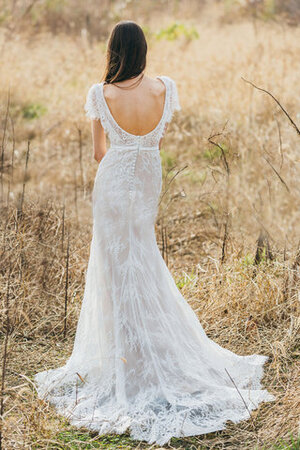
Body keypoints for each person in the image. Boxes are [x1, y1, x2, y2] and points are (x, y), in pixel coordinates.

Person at [34, 20, 275, 446]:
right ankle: (149, 349)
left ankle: (128, 357)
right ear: (143, 50)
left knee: (117, 268)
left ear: (113, 50)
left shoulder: (100, 93)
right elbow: (158, 142)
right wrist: (140, 155)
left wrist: (122, 156)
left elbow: (97, 153)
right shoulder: (164, 88)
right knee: (143, 260)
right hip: (148, 178)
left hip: (114, 181)